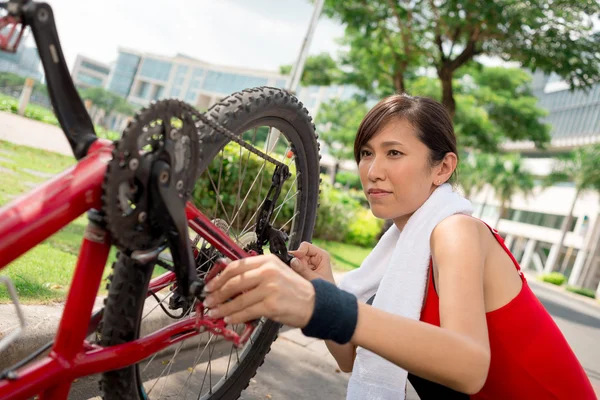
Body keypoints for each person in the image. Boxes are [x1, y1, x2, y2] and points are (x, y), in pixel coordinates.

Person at [202, 94, 596, 399]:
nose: (373, 171)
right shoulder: (402, 251)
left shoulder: (456, 231)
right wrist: (325, 287)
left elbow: (470, 365)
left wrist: (316, 304)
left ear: (442, 168)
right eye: (366, 153)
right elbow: (350, 359)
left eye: (394, 153)